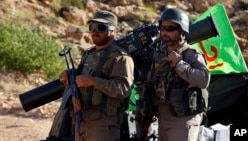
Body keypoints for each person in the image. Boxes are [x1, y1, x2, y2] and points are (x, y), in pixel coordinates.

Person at [59, 10, 134, 141]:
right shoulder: (89, 54)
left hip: (103, 125)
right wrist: (69, 78)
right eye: (92, 27)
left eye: (101, 28)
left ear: (112, 31)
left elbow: (123, 88)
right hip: (81, 121)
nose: (95, 31)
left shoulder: (120, 58)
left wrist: (94, 82)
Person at [142, 7, 211, 141]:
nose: (164, 32)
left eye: (170, 28)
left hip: (183, 120)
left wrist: (180, 64)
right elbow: (150, 82)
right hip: (163, 118)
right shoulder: (159, 54)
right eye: (162, 28)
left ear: (181, 30)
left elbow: (204, 79)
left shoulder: (190, 53)